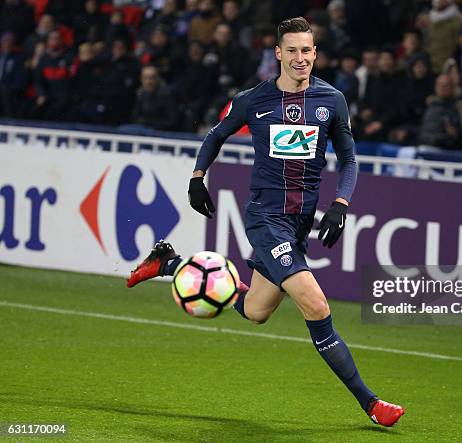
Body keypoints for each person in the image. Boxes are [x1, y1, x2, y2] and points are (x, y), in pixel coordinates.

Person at [126, 17, 404, 428]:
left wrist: (341, 202)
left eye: (306, 50)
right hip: (265, 218)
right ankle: (372, 403)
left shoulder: (332, 100)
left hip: (299, 225)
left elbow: (349, 158)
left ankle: (168, 263)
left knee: (255, 311)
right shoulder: (254, 99)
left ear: (315, 54)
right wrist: (197, 178)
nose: (300, 58)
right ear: (277, 53)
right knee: (315, 303)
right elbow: (215, 135)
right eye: (291, 50)